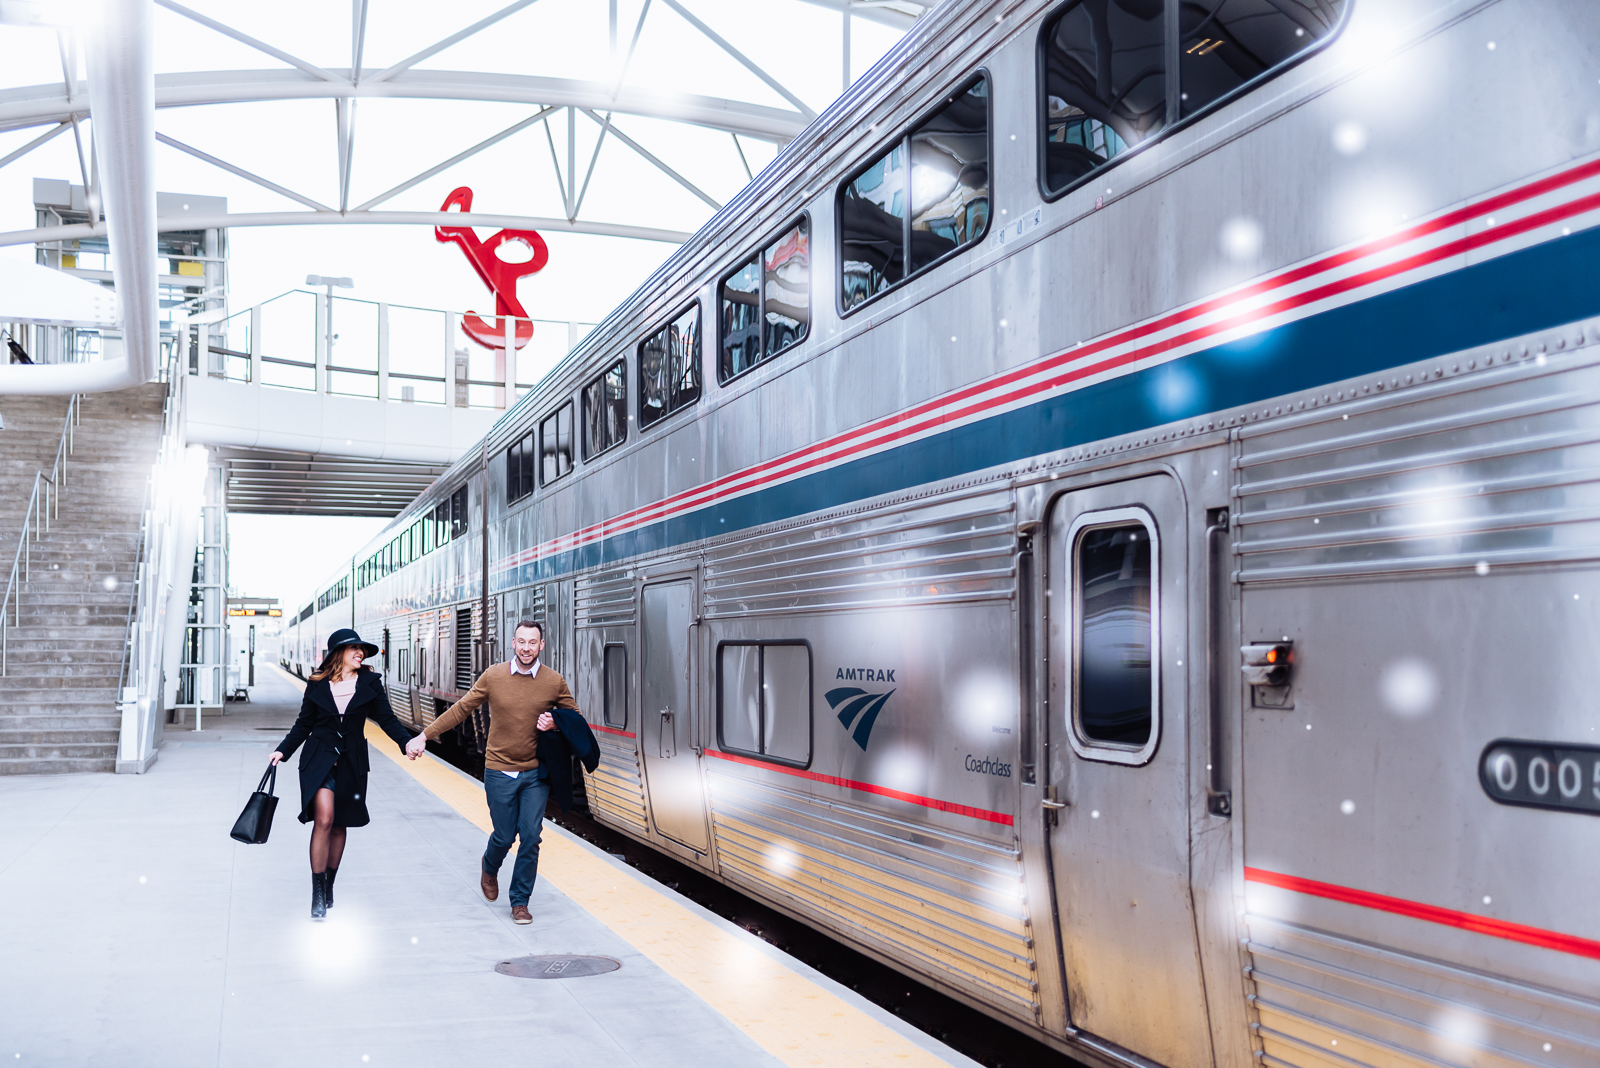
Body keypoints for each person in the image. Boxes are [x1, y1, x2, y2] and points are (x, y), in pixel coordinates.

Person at [405, 620, 598, 924]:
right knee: (505, 836)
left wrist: (556, 722)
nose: (526, 648)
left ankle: (520, 902)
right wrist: (424, 735)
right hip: (499, 770)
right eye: (521, 641)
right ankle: (489, 866)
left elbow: (574, 718)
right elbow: (461, 709)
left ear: (541, 645)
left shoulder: (554, 681)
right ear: (513, 643)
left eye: (532, 642)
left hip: (535, 773)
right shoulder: (494, 676)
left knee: (531, 837)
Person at [269, 628, 413, 919]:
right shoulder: (317, 683)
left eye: (362, 649)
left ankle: (329, 884)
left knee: (339, 825)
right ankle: (317, 893)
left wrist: (406, 742)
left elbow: (387, 719)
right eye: (353, 648)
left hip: (352, 763)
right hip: (319, 760)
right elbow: (303, 724)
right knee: (324, 818)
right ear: (338, 653)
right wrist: (283, 750)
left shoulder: (371, 683)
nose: (360, 653)